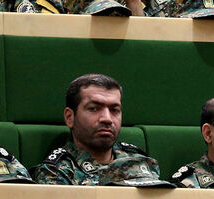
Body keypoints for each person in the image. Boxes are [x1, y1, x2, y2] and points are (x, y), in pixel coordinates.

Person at [31, 74, 166, 186]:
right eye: (94, 109)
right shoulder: (57, 171)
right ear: (70, 117)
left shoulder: (137, 159)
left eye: (114, 110)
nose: (107, 118)